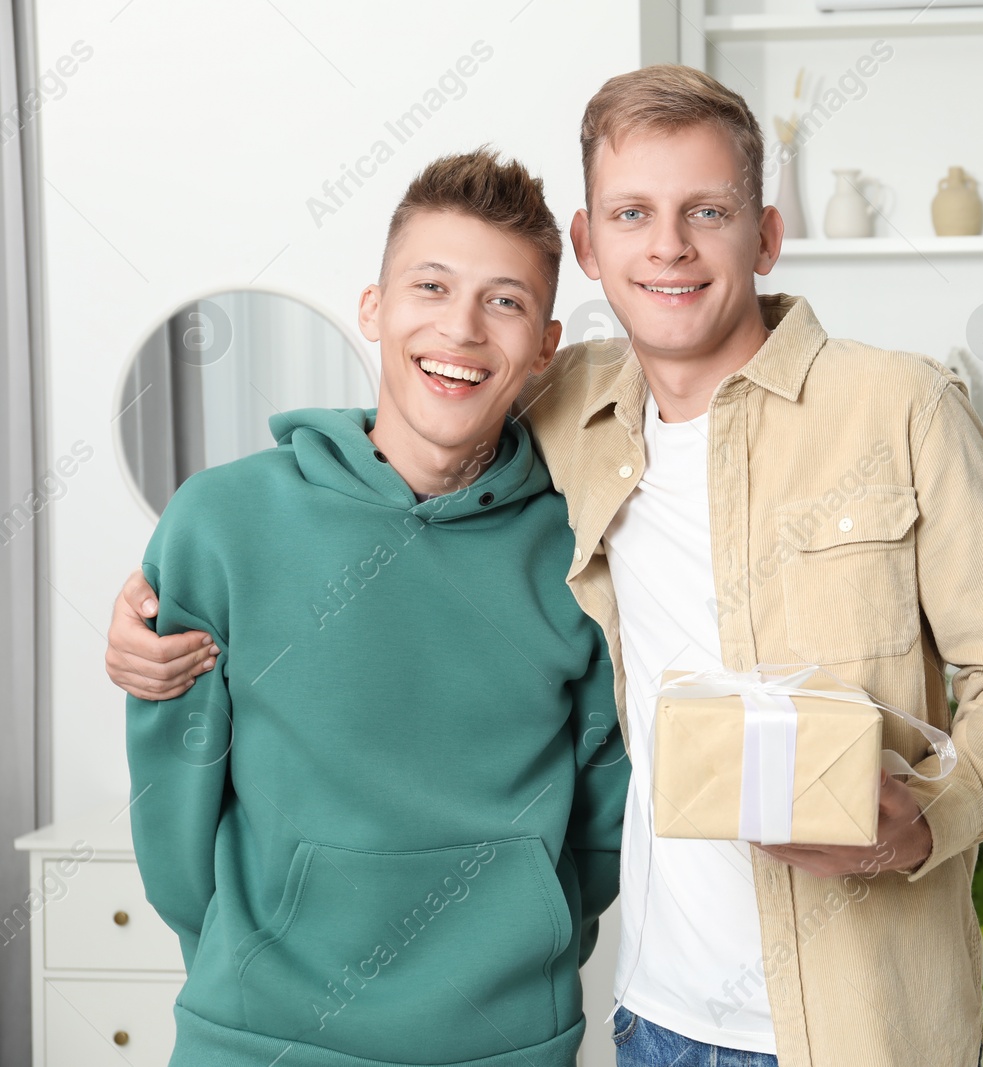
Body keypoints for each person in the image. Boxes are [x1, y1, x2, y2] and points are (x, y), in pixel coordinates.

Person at [108, 66, 983, 1067]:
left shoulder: (900, 407)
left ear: (765, 233)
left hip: (853, 1024)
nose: (667, 246)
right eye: (633, 212)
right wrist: (149, 624)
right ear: (590, 245)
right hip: (654, 1015)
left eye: (705, 211)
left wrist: (926, 818)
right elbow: (419, 427)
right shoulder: (572, 413)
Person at [120, 149, 627, 1067]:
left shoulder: (581, 545)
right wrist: (243, 969)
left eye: (504, 300)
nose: (462, 328)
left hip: (508, 1042)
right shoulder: (224, 519)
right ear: (374, 308)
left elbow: (603, 811)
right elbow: (172, 800)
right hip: (257, 1037)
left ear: (546, 345)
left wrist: (532, 955)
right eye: (430, 286)